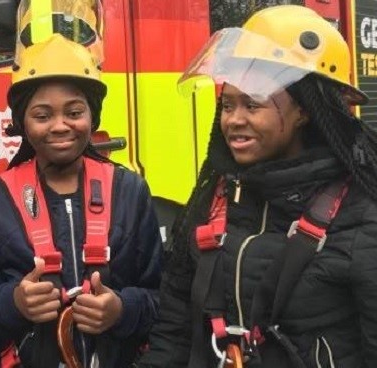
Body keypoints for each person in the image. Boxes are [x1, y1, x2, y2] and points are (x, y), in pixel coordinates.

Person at [139, 5, 377, 368]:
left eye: (253, 104)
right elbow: (174, 331)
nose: (234, 120)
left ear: (304, 111)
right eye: (228, 105)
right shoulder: (214, 199)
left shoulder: (360, 211)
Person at [0, 1, 162, 367]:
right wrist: (13, 304)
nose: (60, 126)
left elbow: (165, 299)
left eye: (74, 112)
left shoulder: (131, 192)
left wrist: (122, 310)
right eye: (42, 115)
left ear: (93, 116)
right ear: (23, 122)